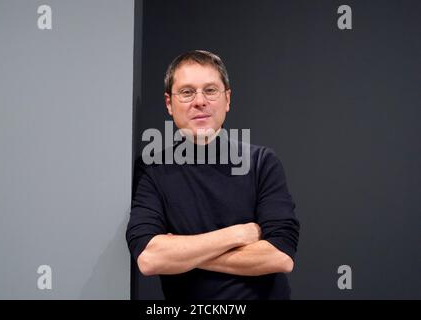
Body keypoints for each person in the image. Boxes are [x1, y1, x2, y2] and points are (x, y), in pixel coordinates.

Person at [126, 50, 300, 300]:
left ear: (227, 99)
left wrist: (184, 253)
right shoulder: (152, 169)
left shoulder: (262, 163)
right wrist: (237, 235)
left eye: (210, 90)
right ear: (169, 104)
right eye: (187, 92)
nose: (200, 101)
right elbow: (151, 259)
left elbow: (280, 256)